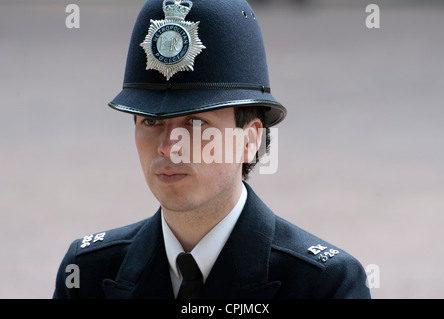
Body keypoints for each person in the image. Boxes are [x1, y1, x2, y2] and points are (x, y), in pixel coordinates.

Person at [53, 0, 370, 299]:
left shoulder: (322, 285)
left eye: (195, 123)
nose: (168, 147)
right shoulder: (87, 273)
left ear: (249, 140)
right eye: (150, 122)